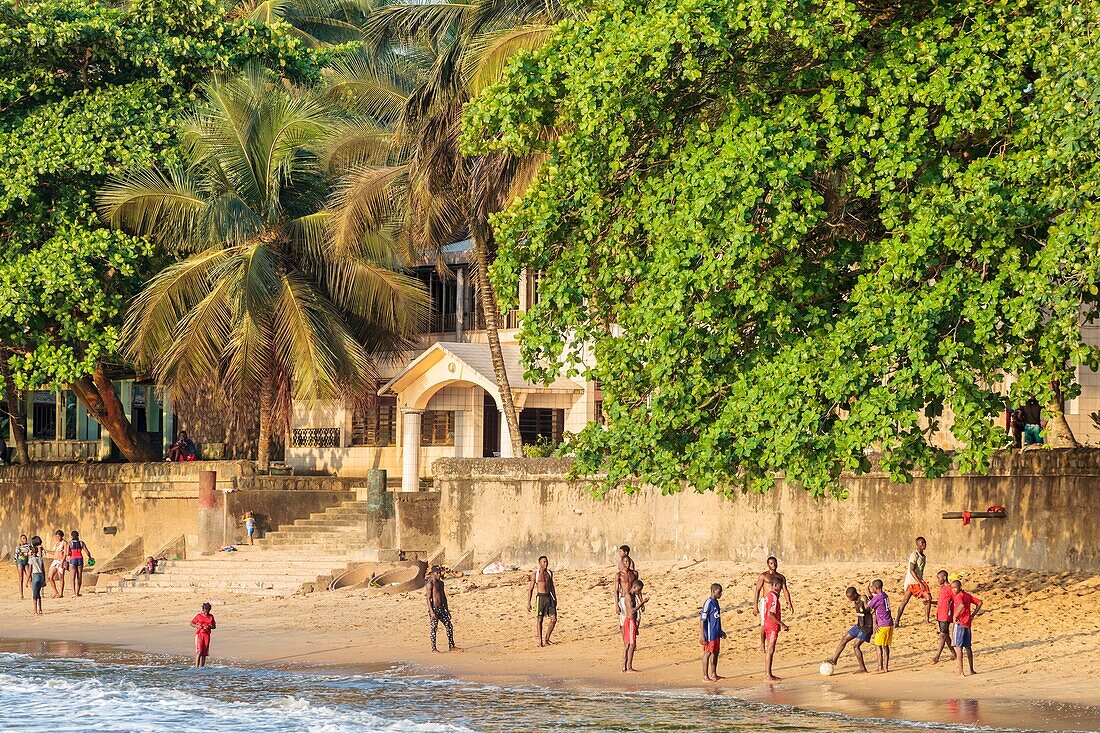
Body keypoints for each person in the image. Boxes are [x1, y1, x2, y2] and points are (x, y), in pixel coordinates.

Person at [825, 586, 872, 673]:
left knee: (856, 646)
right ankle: (834, 660)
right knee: (844, 639)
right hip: (859, 626)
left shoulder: (862, 598)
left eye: (850, 597)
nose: (849, 599)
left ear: (855, 594)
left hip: (866, 627)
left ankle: (862, 668)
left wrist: (867, 604)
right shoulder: (855, 600)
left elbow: (867, 604)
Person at [753, 556, 793, 651]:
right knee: (764, 622)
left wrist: (789, 603)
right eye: (771, 563)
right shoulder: (764, 576)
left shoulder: (780, 577)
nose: (773, 565)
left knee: (774, 621)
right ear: (768, 564)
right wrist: (755, 606)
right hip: (765, 601)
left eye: (775, 563)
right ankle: (762, 643)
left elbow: (785, 590)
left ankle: (770, 641)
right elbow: (757, 590)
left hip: (775, 601)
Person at [896, 536, 931, 626]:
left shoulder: (923, 556)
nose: (924, 544)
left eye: (924, 543)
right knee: (905, 601)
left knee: (928, 597)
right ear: (917, 544)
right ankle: (897, 621)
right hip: (912, 583)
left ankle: (926, 619)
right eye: (922, 543)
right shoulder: (914, 555)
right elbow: (912, 570)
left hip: (918, 581)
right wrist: (920, 583)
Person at [951, 579, 983, 676]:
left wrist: (955, 615)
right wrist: (973, 615)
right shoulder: (967, 595)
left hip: (960, 623)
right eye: (952, 588)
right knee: (968, 647)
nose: (953, 590)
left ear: (960, 587)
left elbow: (961, 605)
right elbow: (979, 603)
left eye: (955, 588)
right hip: (968, 624)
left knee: (959, 647)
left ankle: (961, 671)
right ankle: (971, 669)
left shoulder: (959, 596)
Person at [527, 555, 558, 647]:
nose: (545, 563)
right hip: (540, 598)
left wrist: (555, 598)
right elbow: (531, 589)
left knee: (554, 619)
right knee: (540, 619)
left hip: (549, 597)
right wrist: (528, 602)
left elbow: (552, 586)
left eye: (546, 562)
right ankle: (540, 641)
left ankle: (547, 639)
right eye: (543, 562)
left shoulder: (549, 573)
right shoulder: (535, 575)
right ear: (539, 563)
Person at [762, 577, 789, 681]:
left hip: (767, 624)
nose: (781, 589)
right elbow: (771, 614)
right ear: (775, 586)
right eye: (780, 587)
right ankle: (768, 675)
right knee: (770, 650)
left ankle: (768, 674)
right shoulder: (773, 597)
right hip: (772, 626)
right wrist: (782, 624)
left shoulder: (768, 595)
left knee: (770, 649)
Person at [866, 579, 894, 673]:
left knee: (878, 646)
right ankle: (885, 667)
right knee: (885, 646)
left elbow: (868, 606)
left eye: (872, 588)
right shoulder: (884, 595)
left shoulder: (878, 597)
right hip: (889, 623)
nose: (872, 589)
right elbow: (872, 598)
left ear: (875, 588)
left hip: (882, 625)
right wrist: (866, 588)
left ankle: (880, 667)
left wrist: (863, 600)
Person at [699, 583, 726, 681]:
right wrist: (702, 634)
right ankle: (705, 676)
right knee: (708, 653)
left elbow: (717, 618)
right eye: (719, 592)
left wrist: (720, 631)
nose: (720, 594)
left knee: (715, 653)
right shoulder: (708, 603)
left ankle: (714, 674)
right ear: (713, 591)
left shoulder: (716, 602)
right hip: (709, 634)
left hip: (716, 633)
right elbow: (702, 619)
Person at [426, 565, 455, 652]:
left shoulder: (441, 583)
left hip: (441, 608)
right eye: (437, 573)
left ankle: (451, 645)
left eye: (439, 573)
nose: (439, 574)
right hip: (434, 608)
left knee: (449, 625)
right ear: (433, 574)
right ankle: (434, 648)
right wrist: (431, 611)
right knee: (434, 628)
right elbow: (428, 599)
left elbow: (444, 597)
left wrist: (447, 610)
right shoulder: (430, 584)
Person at [620, 578, 646, 673]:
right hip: (630, 621)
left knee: (627, 644)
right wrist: (642, 603)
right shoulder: (629, 597)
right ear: (634, 587)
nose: (638, 592)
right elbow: (632, 611)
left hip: (631, 621)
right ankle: (629, 667)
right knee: (631, 645)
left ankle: (624, 667)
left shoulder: (632, 596)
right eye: (638, 590)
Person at [932, 570, 957, 664]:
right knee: (945, 635)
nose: (938, 580)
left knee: (942, 635)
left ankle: (937, 656)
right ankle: (953, 653)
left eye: (939, 578)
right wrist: (930, 602)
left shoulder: (950, 588)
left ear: (944, 577)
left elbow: (956, 600)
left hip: (946, 615)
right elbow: (940, 602)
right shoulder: (942, 588)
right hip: (940, 614)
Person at [190, 602, 217, 668]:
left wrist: (209, 627)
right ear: (203, 609)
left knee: (204, 653)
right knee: (199, 651)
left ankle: (202, 667)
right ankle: (197, 667)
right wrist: (197, 626)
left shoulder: (211, 616)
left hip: (207, 635)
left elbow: (214, 626)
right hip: (199, 634)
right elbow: (191, 623)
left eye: (207, 611)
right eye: (205, 611)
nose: (206, 613)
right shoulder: (198, 616)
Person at [68, 530, 92, 597]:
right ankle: (77, 593)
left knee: (72, 577)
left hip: (73, 559)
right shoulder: (81, 543)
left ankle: (73, 593)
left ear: (72, 536)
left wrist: (70, 553)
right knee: (79, 577)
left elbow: (67, 553)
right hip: (80, 559)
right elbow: (87, 552)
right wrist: (90, 558)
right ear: (78, 536)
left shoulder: (70, 543)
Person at [47, 530, 68, 599]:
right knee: (50, 577)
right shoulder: (56, 543)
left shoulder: (64, 543)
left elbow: (65, 553)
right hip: (55, 561)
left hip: (61, 561)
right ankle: (56, 592)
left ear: (61, 536)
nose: (57, 537)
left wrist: (63, 561)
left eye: (58, 536)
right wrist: (46, 551)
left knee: (60, 577)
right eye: (56, 536)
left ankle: (61, 593)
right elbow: (54, 552)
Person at [28, 546, 45, 616]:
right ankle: (40, 609)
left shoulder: (31, 559)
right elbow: (43, 569)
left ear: (32, 552)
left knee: (34, 595)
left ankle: (35, 611)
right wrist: (44, 579)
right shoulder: (40, 559)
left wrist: (27, 580)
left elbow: (29, 571)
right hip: (41, 575)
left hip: (35, 576)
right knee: (38, 593)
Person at [14, 533, 31, 600]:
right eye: (23, 538)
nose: (25, 539)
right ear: (20, 540)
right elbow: (19, 553)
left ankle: (34, 592)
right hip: (20, 562)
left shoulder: (29, 545)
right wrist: (27, 553)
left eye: (25, 538)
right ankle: (21, 594)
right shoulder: (18, 546)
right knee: (21, 578)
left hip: (26, 562)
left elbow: (31, 552)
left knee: (29, 577)